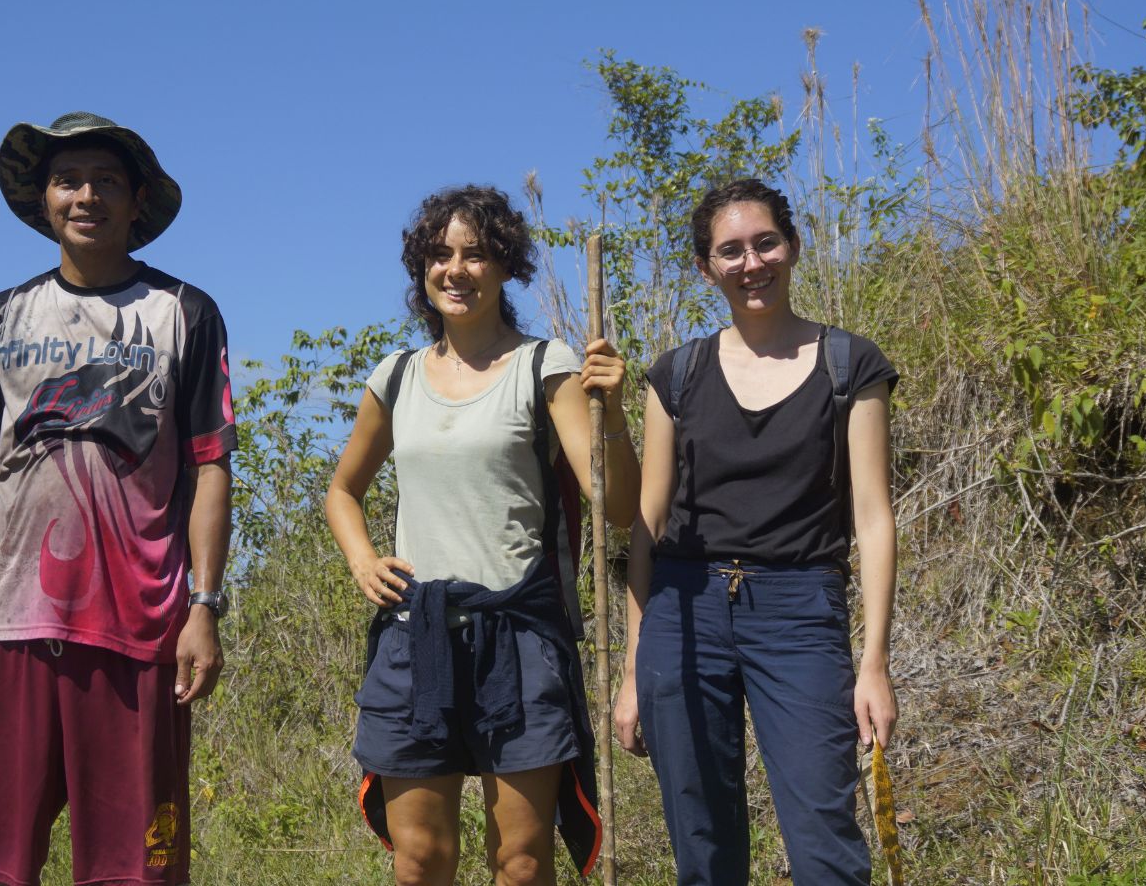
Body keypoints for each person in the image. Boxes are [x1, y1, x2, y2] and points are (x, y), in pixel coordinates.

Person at [0, 112, 237, 886]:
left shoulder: (185, 313)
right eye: (68, 180)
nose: (86, 195)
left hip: (139, 628)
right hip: (8, 620)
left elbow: (211, 469)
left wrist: (204, 606)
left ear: (137, 202)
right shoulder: (0, 317)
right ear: (44, 199)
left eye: (106, 181)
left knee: (138, 868)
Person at [324, 185, 639, 886]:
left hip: (521, 636)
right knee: (420, 862)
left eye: (475, 254)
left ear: (505, 266)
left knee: (522, 864)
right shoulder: (397, 376)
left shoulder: (546, 366)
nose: (455, 271)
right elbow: (342, 490)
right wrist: (362, 560)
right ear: (421, 269)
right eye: (439, 255)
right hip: (416, 635)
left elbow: (616, 503)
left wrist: (611, 408)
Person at [612, 178, 898, 885]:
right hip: (683, 611)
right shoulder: (675, 376)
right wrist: (630, 669)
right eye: (730, 251)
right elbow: (646, 524)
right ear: (706, 267)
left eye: (765, 243)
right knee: (703, 845)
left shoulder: (848, 365)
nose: (751, 263)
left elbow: (873, 517)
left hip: (801, 610)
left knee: (824, 838)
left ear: (793, 247)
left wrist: (875, 666)